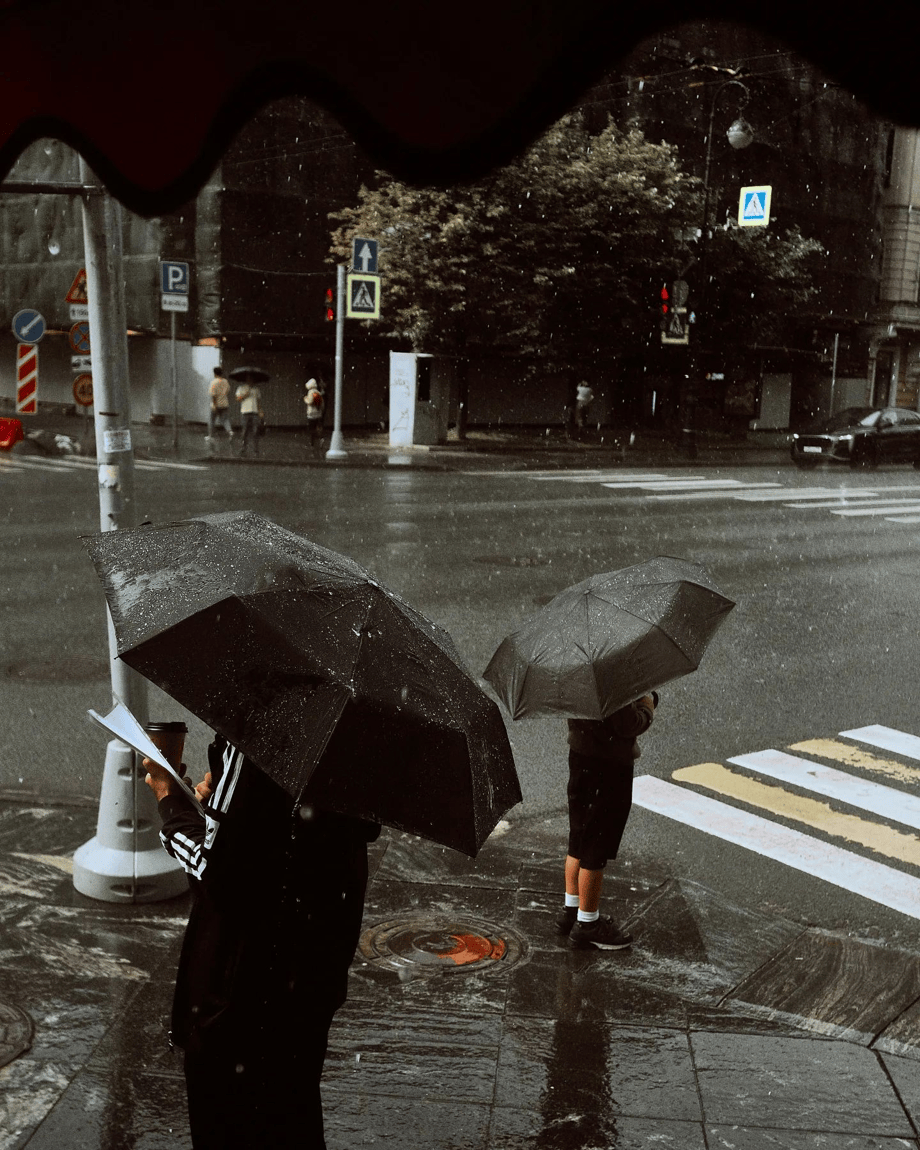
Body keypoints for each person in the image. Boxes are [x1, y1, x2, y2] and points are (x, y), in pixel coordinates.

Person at [144, 734, 379, 1149]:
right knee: (292, 1112)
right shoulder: (354, 746)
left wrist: (171, 801)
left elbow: (217, 872)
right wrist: (225, 806)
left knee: (227, 1121)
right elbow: (295, 843)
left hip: (239, 987)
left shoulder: (259, 732)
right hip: (310, 977)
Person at [557, 692, 657, 949]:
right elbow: (627, 724)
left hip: (580, 758)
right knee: (596, 846)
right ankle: (588, 923)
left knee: (578, 837)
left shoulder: (578, 671)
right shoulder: (611, 681)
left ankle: (572, 910)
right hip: (608, 766)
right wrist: (647, 705)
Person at [235, 380, 263, 456]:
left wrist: (260, 411)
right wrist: (245, 394)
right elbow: (238, 399)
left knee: (255, 431)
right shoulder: (241, 388)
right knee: (244, 432)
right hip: (245, 412)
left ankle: (256, 451)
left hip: (255, 412)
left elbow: (258, 401)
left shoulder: (256, 389)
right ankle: (243, 450)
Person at [206, 367, 233, 444]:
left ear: (214, 373)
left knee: (211, 420)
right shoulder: (225, 381)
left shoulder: (213, 382)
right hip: (224, 404)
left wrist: (214, 404)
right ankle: (230, 432)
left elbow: (213, 395)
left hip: (216, 404)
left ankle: (210, 436)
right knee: (225, 420)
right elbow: (228, 390)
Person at [303, 378, 325, 456]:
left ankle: (312, 444)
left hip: (311, 414)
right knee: (318, 428)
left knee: (311, 429)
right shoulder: (318, 393)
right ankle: (320, 439)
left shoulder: (310, 392)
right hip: (318, 414)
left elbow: (310, 401)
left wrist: (305, 399)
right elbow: (322, 405)